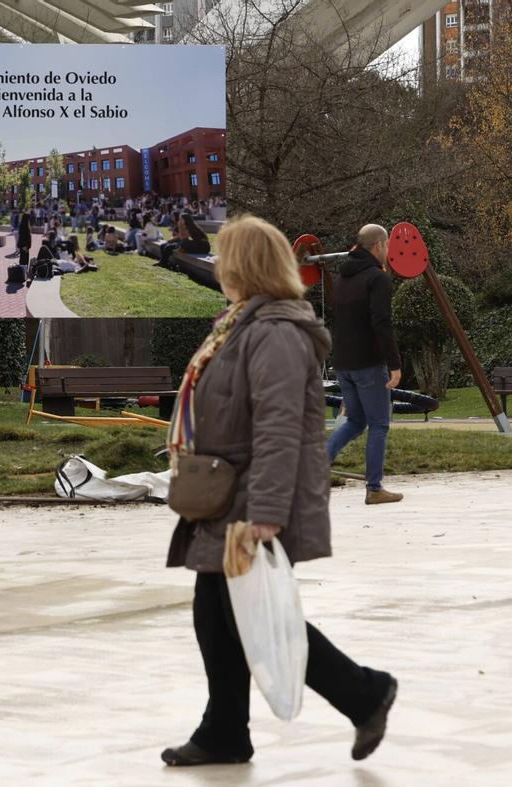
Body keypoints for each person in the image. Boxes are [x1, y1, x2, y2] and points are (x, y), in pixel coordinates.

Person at [162, 215, 396, 768]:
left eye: (226, 258)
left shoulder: (276, 332)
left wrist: (266, 512)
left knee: (256, 613)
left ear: (245, 265)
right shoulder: (240, 323)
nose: (219, 269)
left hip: (253, 493)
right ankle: (225, 731)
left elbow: (280, 424)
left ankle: (364, 693)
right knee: (217, 613)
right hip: (224, 490)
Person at [325, 224, 404, 505]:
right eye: (388, 246)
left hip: (344, 362)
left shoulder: (341, 278)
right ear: (379, 246)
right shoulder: (377, 279)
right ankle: (374, 488)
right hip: (369, 364)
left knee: (356, 421)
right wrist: (394, 364)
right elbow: (381, 323)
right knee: (379, 424)